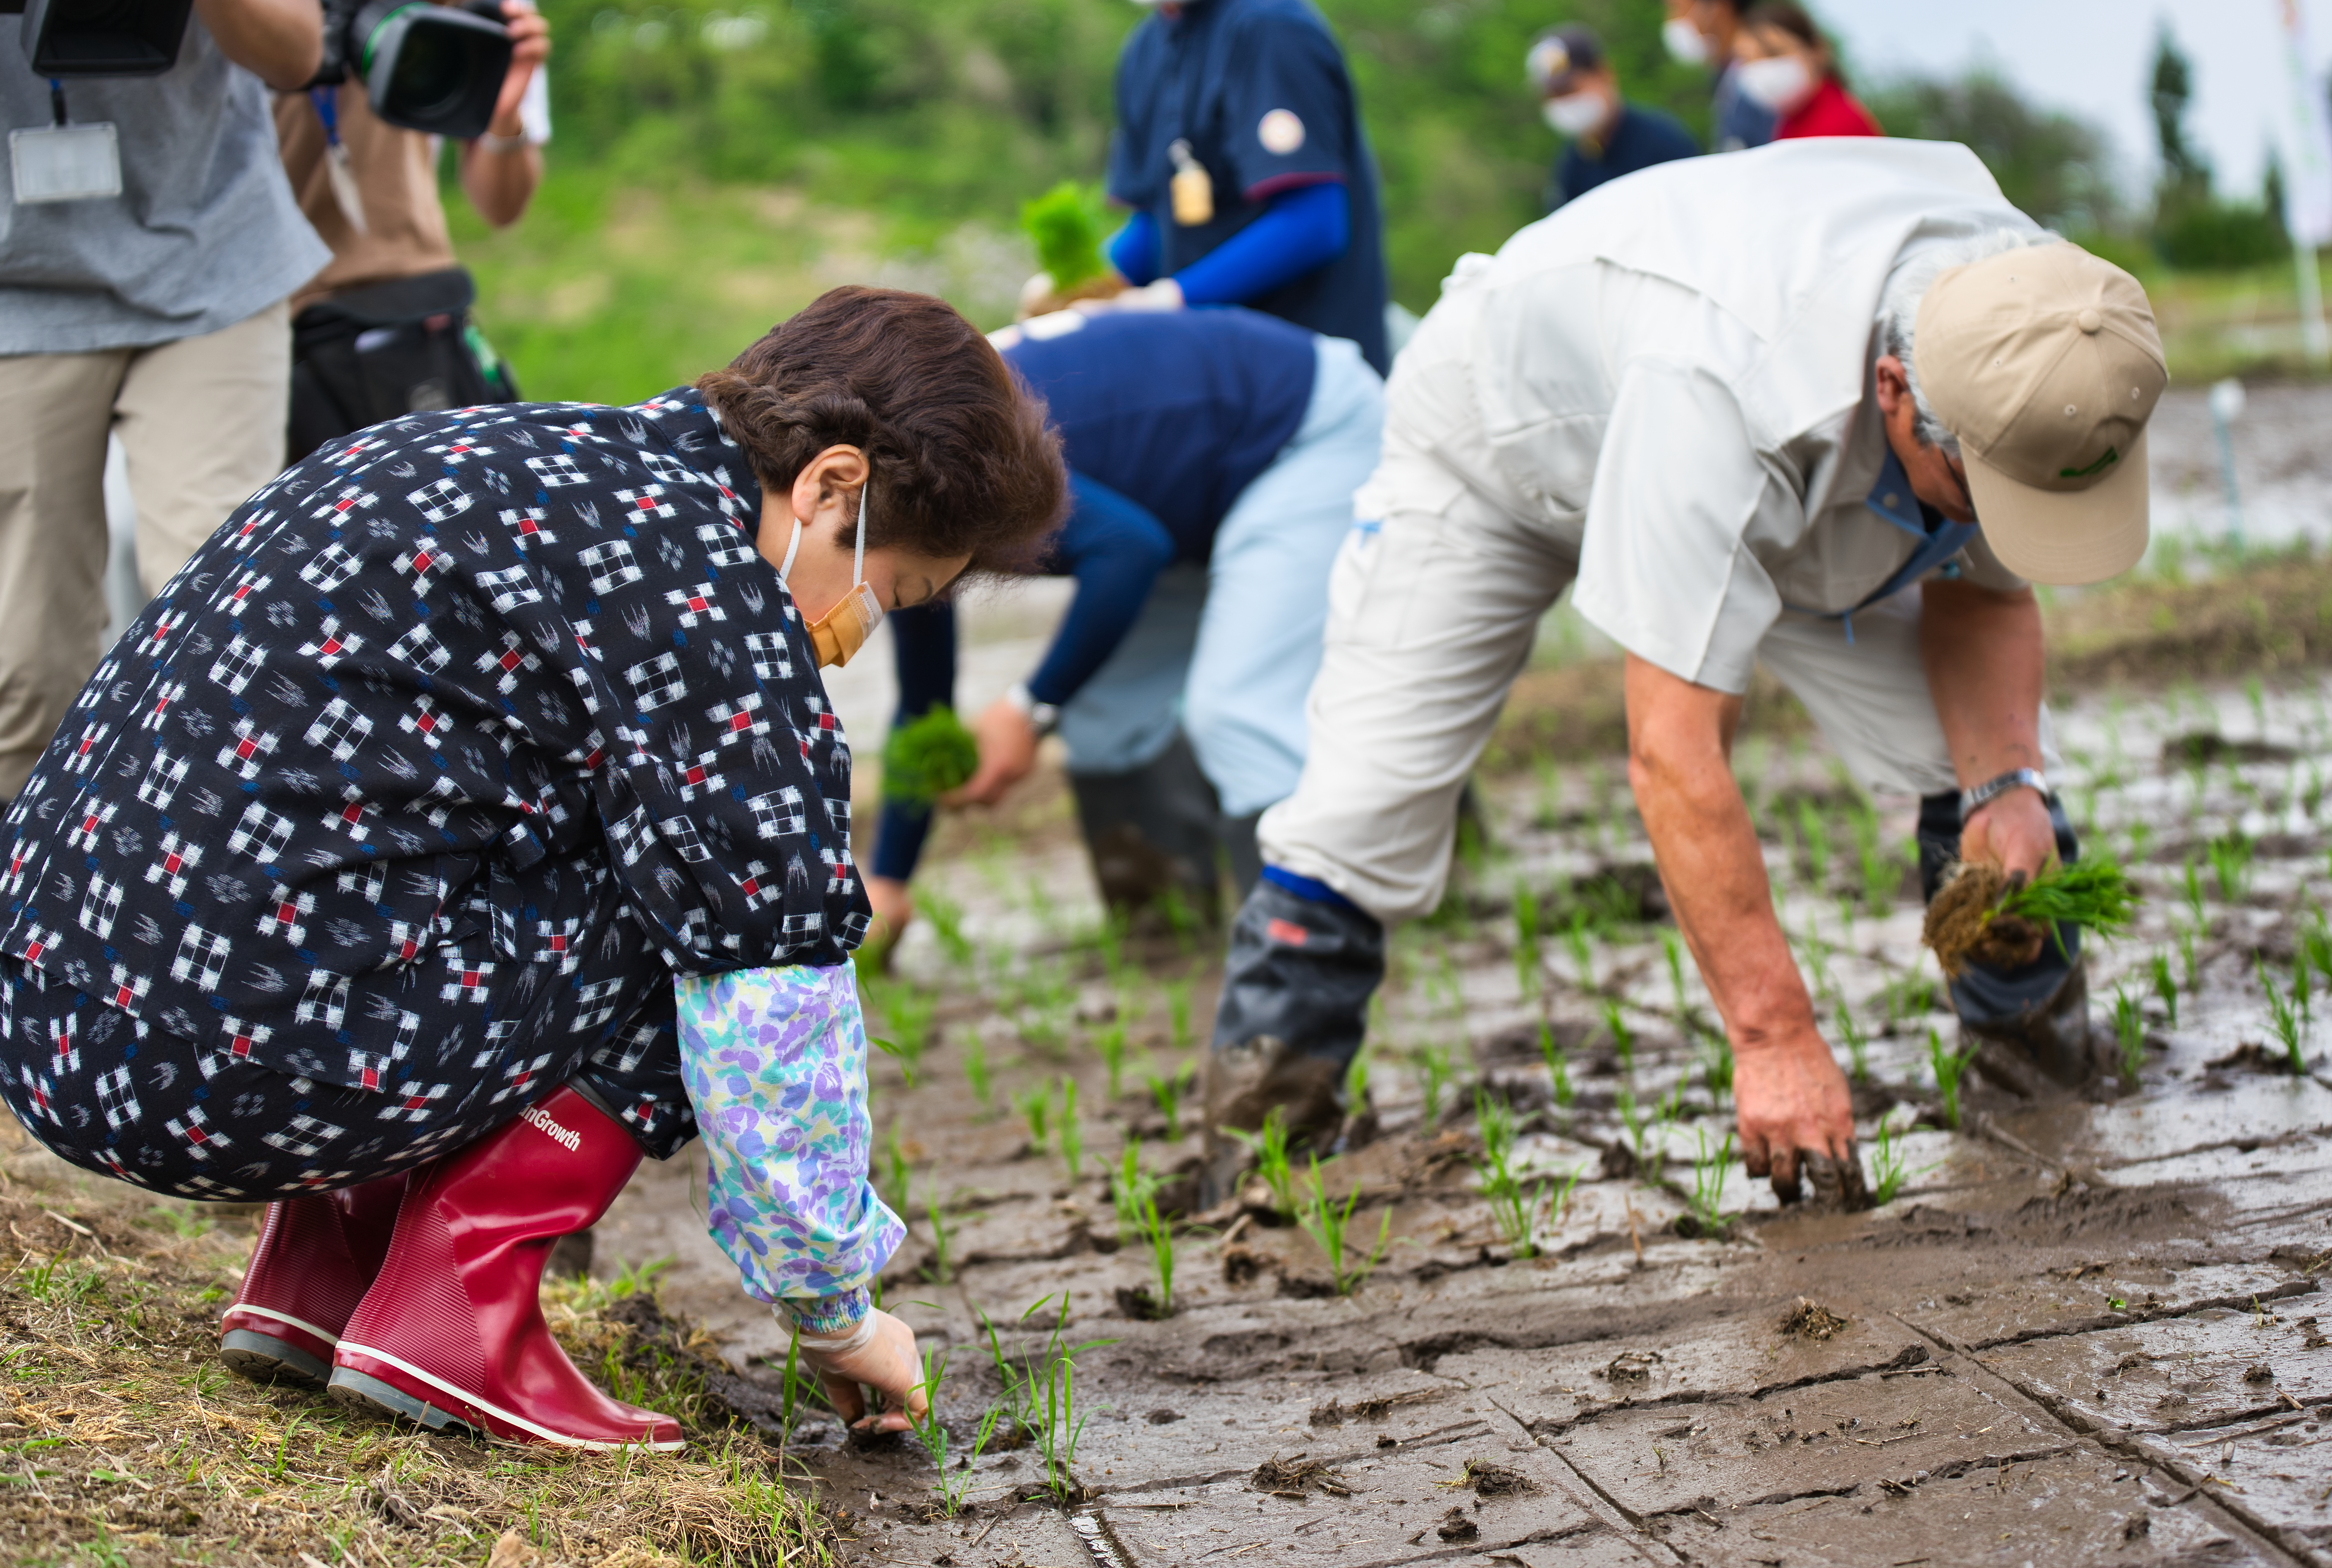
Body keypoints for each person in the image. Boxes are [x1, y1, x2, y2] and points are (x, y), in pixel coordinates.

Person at [0, 286, 1068, 1448]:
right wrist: (836, 1310)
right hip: (233, 1072)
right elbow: (775, 991)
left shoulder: (498, 449)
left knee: (493, 839)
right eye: (888, 591)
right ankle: (455, 1312)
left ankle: (326, 1269)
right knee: (729, 897)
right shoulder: (711, 610)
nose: (855, 629)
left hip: (46, 1012)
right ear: (831, 487)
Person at [1195, 140, 2168, 1209]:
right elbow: (1673, 752)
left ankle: (2038, 1090)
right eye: (1975, 488)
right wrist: (1774, 1037)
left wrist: (2002, 785)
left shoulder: (2046, 337)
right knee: (1363, 807)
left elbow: (1983, 586)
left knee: (1993, 789)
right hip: (1501, 448)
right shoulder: (1723, 386)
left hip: (1808, 467)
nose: (1990, 518)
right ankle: (1264, 1156)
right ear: (1897, 388)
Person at [862, 307, 1384, 951]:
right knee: (1106, 725)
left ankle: (1306, 957)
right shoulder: (896, 505)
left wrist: (1028, 711)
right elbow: (925, 704)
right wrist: (887, 881)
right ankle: (1169, 941)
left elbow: (1127, 549)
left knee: (1239, 711)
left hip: (1301, 431)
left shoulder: (956, 469)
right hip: (1184, 499)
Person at [0, 0, 331, 829]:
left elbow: (296, 54)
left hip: (211, 254)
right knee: (24, 669)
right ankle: (26, 907)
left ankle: (224, 895)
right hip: (0, 285)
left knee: (227, 623)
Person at [275, 0, 553, 463]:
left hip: (413, 302)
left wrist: (504, 116)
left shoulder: (498, 12)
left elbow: (503, 207)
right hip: (251, 306)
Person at [1087, 0, 1391, 374]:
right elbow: (1157, 226)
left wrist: (1171, 298)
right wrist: (1077, 285)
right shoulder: (1145, 47)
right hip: (1217, 376)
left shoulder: (1269, 26)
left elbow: (1313, 222)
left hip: (1315, 374)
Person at [1528, 24, 1699, 213]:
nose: (1564, 103)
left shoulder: (1663, 142)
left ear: (1603, 74)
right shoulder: (1571, 164)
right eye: (1554, 95)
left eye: (1570, 89)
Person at [1732, 3, 1883, 141]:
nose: (1762, 68)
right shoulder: (1790, 121)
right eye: (1748, 60)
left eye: (1774, 53)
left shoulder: (1837, 128)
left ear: (1817, 51)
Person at [1661, 0, 1776, 153]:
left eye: (1678, 9)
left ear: (1717, 7)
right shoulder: (1724, 73)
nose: (1672, 20)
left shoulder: (1759, 74)